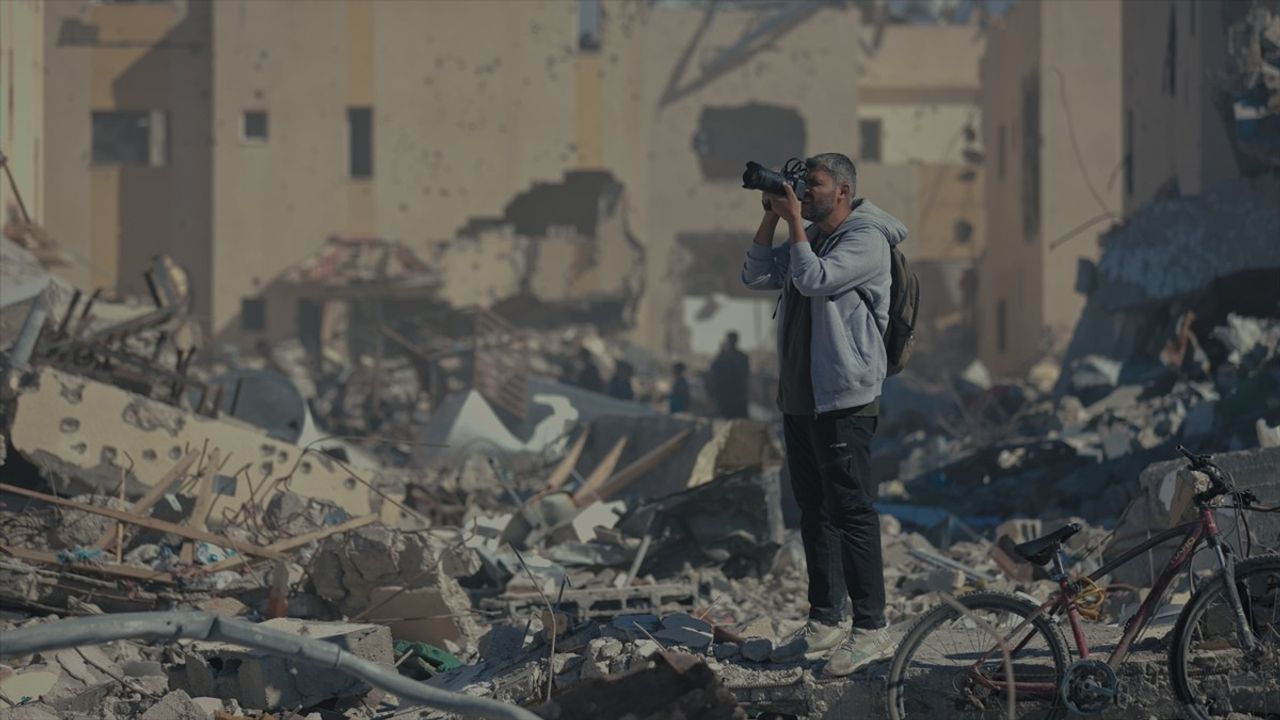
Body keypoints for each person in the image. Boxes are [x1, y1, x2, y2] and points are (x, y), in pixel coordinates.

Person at [741, 153, 906, 676]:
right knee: (814, 511)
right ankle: (825, 620)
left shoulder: (865, 239)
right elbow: (755, 274)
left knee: (852, 511)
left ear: (843, 191)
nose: (805, 192)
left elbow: (813, 280)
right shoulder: (811, 235)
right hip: (801, 398)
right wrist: (772, 217)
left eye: (813, 185)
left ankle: (872, 628)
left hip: (844, 399)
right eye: (801, 185)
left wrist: (794, 222)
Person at [709, 331, 750, 418]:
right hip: (728, 397)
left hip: (735, 396)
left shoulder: (740, 357)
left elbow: (744, 374)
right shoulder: (725, 356)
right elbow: (714, 371)